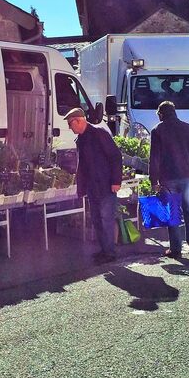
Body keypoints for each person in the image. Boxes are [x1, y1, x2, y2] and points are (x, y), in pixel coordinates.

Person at [149, 101, 189, 259]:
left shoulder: (158, 130)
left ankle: (176, 249)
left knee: (173, 213)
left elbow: (155, 158)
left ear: (161, 114)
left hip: (168, 177)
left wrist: (153, 180)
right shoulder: (188, 128)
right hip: (187, 176)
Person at [68, 107, 122, 264]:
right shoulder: (81, 139)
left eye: (71, 124)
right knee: (97, 220)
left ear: (79, 120)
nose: (70, 128)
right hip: (93, 187)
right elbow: (83, 165)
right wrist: (82, 187)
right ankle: (104, 250)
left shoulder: (99, 133)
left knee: (106, 219)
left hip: (106, 185)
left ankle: (110, 253)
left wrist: (116, 181)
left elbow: (115, 156)